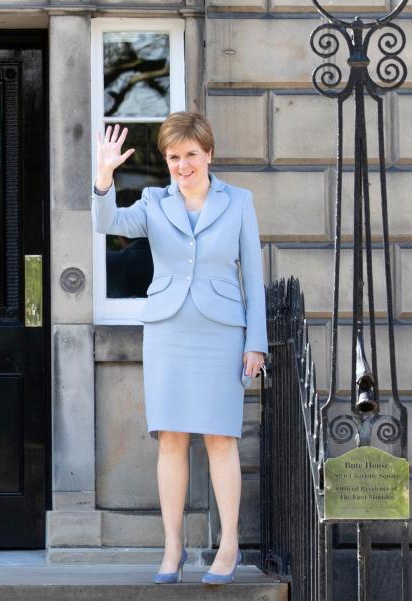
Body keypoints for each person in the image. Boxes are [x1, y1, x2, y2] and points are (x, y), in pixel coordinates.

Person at [92, 112, 267, 585]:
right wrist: (105, 176)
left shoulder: (239, 202)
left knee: (220, 438)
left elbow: (253, 273)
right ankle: (173, 547)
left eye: (191, 154)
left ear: (208, 153)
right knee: (170, 438)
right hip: (168, 330)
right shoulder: (153, 201)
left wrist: (257, 343)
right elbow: (107, 223)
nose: (182, 164)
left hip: (221, 332)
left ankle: (227, 543)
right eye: (173, 157)